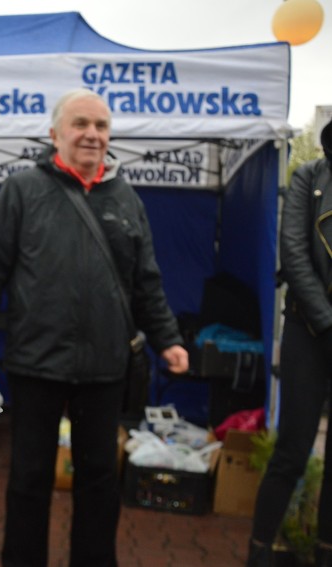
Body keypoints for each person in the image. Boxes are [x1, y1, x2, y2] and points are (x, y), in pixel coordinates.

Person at [0, 88, 188, 567]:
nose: (92, 134)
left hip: (105, 365)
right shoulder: (22, 190)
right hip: (36, 360)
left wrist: (168, 339)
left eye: (101, 126)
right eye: (81, 124)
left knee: (100, 478)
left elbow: (146, 280)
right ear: (55, 133)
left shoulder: (125, 197)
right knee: (30, 476)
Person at [247, 119, 332, 567]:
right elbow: (295, 253)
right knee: (292, 451)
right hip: (309, 331)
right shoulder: (311, 175)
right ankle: (259, 550)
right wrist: (328, 322)